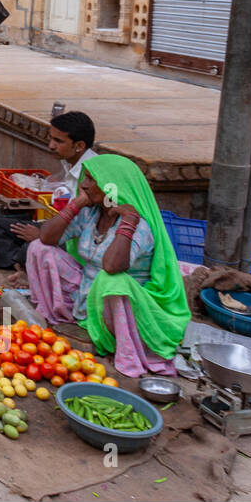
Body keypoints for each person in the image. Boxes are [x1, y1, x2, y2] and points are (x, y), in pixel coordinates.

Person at [24, 153, 189, 378]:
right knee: (39, 249)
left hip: (119, 307)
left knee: (112, 280)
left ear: (113, 187)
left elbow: (111, 266)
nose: (84, 184)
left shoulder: (139, 226)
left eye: (92, 180)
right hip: (85, 298)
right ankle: (66, 315)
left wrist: (129, 221)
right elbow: (47, 238)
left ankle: (120, 345)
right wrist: (77, 203)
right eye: (86, 178)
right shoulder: (91, 213)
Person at [11, 110, 98, 244]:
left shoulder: (92, 173)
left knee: (29, 248)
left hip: (76, 236)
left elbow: (81, 224)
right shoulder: (68, 162)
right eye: (51, 138)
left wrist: (41, 235)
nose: (51, 146)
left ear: (79, 146)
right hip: (59, 224)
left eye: (58, 141)